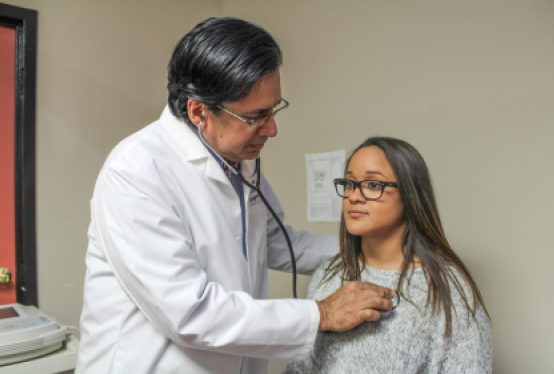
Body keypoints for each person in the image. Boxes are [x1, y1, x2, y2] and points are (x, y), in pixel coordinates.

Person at [76, 18, 395, 374]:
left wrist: (375, 248)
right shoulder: (136, 171)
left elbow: (276, 243)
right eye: (256, 116)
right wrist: (322, 313)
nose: (272, 129)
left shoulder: (238, 162)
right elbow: (190, 313)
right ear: (199, 112)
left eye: (275, 109)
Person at [286, 137, 492, 374]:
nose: (354, 195)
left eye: (373, 185)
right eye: (350, 183)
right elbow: (300, 369)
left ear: (410, 195)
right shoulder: (328, 275)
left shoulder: (447, 291)